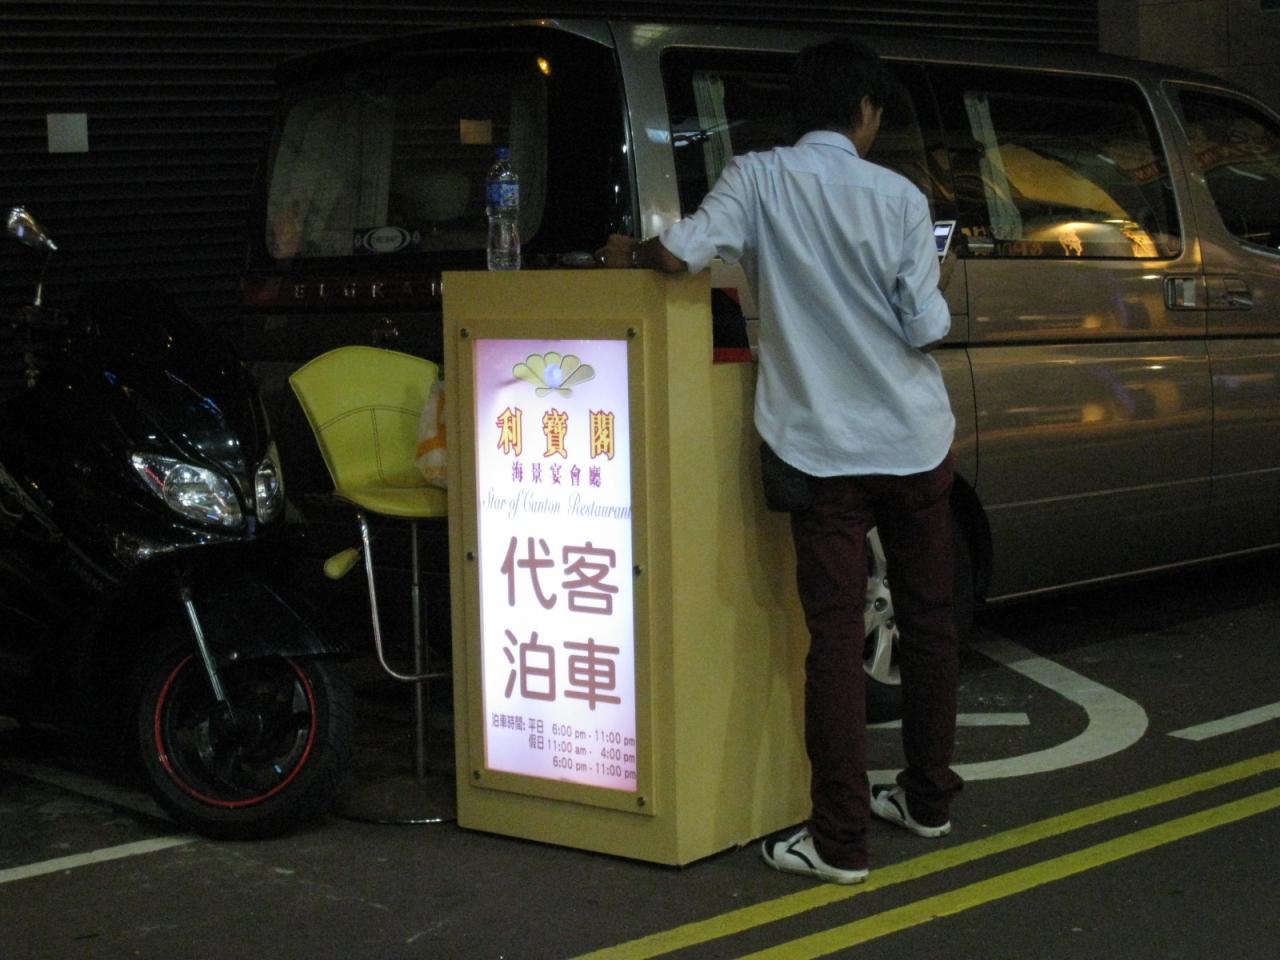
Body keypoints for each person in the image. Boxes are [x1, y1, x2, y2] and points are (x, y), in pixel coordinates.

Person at [595, 37, 962, 884]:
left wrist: (630, 251)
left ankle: (839, 842)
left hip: (820, 451)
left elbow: (679, 253)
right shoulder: (901, 197)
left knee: (833, 640)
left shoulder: (758, 178)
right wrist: (935, 282)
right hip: (913, 443)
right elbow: (925, 327)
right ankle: (927, 801)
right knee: (930, 622)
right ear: (865, 110)